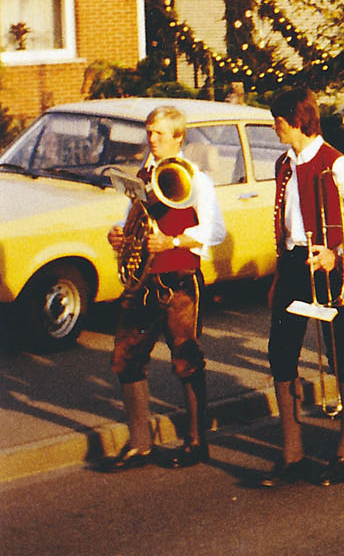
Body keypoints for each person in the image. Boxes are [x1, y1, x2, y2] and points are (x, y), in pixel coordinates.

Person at [261, 88, 344, 488]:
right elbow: (286, 223)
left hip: (330, 263)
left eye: (278, 119)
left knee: (341, 356)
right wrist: (281, 274)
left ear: (296, 119)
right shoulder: (285, 162)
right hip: (295, 264)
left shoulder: (337, 163)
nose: (274, 126)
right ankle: (292, 454)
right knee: (281, 353)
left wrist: (336, 251)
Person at [100, 105, 227, 472]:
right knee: (126, 358)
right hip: (143, 282)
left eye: (158, 133)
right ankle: (141, 443)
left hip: (178, 282)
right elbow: (140, 220)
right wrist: (120, 234)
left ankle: (196, 442)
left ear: (178, 137)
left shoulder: (196, 179)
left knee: (186, 361)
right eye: (149, 132)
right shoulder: (146, 172)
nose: (151, 138)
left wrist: (172, 243)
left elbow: (215, 231)